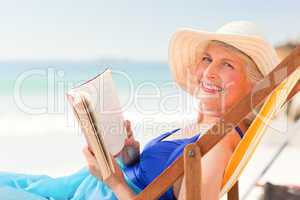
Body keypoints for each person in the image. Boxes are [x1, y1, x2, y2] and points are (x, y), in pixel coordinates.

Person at [0, 21, 291, 200]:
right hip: (81, 186)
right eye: (207, 58)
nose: (210, 72)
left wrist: (113, 180)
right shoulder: (199, 130)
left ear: (254, 87)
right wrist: (129, 156)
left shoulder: (217, 146)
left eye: (227, 64)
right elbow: (156, 179)